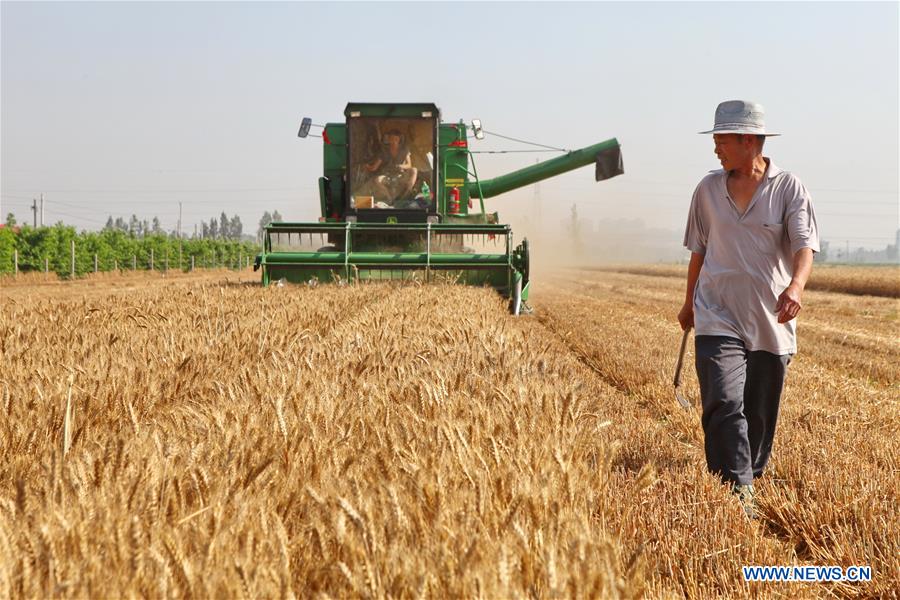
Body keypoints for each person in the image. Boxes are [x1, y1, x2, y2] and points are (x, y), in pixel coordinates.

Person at [679, 100, 819, 519]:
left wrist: (796, 286)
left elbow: (804, 246)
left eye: (721, 139)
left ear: (748, 140)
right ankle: (738, 493)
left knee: (758, 415)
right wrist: (689, 303)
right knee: (723, 400)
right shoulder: (707, 190)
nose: (715, 148)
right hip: (716, 313)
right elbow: (699, 251)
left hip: (770, 321)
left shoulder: (788, 188)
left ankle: (747, 473)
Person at [364, 129, 418, 205]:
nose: (393, 141)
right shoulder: (384, 151)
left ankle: (406, 194)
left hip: (401, 175)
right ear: (388, 140)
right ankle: (389, 198)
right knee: (377, 180)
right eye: (391, 139)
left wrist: (401, 166)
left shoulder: (404, 150)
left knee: (414, 170)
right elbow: (374, 167)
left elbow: (409, 165)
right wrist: (367, 167)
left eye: (396, 139)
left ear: (399, 140)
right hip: (388, 176)